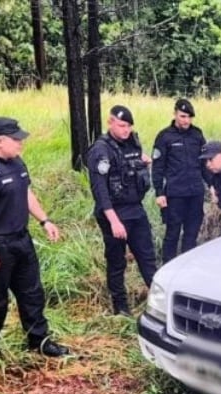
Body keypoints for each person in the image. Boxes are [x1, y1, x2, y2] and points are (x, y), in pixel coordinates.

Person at [0, 117, 68, 357]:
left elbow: (26, 193)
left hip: (21, 240)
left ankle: (39, 341)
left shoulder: (17, 162)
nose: (21, 143)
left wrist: (44, 220)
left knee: (32, 293)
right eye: (16, 139)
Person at [86, 105, 157, 317]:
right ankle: (121, 308)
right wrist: (114, 221)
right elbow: (100, 190)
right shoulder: (101, 150)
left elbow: (136, 171)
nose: (126, 130)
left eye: (128, 126)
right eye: (122, 125)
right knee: (117, 262)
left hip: (135, 209)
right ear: (110, 123)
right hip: (114, 213)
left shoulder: (132, 143)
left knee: (147, 256)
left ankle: (157, 299)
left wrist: (145, 163)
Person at [152, 98, 207, 263]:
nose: (186, 120)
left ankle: (186, 266)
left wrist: (212, 185)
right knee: (172, 232)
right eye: (183, 116)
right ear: (175, 113)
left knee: (192, 233)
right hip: (175, 193)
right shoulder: (164, 137)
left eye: (189, 117)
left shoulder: (197, 135)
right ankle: (167, 266)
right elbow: (158, 167)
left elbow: (205, 164)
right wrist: (159, 193)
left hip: (195, 192)